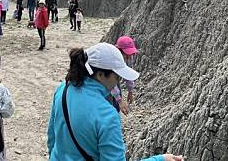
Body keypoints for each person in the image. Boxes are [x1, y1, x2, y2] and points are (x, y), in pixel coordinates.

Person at [47, 43, 183, 161]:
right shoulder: (106, 114)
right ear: (100, 74)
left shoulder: (62, 90)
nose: (119, 81)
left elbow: (52, 138)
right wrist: (160, 159)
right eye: (117, 76)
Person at [112, 36, 139, 115]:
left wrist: (130, 92)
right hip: (102, 80)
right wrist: (120, 101)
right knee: (109, 103)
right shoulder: (112, 59)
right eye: (126, 54)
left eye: (130, 53)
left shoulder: (129, 57)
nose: (128, 57)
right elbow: (111, 84)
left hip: (114, 79)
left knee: (116, 106)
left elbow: (129, 75)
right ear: (119, 50)